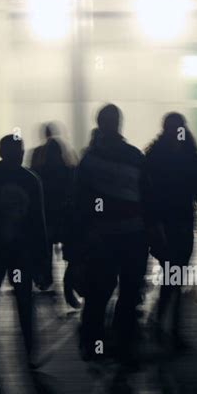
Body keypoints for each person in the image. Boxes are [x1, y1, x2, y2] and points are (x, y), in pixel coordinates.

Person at [66, 105, 149, 365]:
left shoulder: (89, 161)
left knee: (98, 294)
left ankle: (94, 344)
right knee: (128, 292)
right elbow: (147, 198)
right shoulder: (135, 156)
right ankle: (123, 343)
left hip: (101, 238)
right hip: (132, 236)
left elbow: (79, 205)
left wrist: (77, 246)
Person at [144, 112, 197, 350]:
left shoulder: (153, 156)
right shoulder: (190, 157)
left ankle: (163, 324)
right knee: (175, 277)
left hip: (161, 226)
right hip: (182, 225)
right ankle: (172, 329)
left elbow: (146, 195)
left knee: (172, 276)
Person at [0, 135, 50, 362]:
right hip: (22, 252)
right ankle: (30, 348)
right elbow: (39, 224)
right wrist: (44, 263)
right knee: (24, 300)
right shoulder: (30, 180)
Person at [30, 123, 77, 297]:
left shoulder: (38, 163)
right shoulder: (69, 167)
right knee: (68, 252)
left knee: (46, 249)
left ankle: (45, 279)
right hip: (63, 217)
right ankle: (68, 282)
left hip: (47, 216)